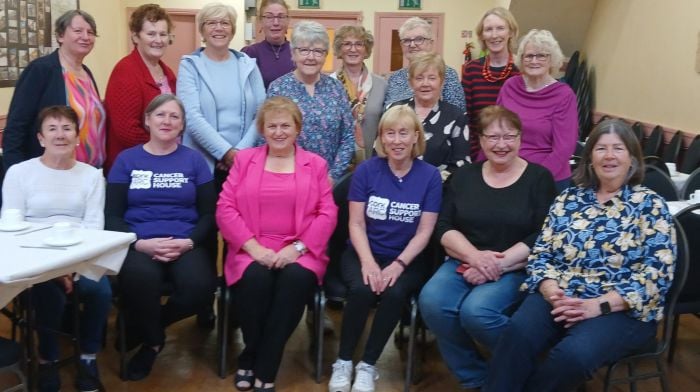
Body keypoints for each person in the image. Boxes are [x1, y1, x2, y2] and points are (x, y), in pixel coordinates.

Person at [484, 119, 677, 392]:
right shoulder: (569, 200)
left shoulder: (650, 205)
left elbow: (657, 276)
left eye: (618, 149)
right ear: (589, 159)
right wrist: (552, 291)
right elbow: (541, 253)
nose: (609, 156)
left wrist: (598, 305)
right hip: (560, 295)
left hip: (620, 308)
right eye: (601, 149)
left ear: (632, 158)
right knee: (516, 334)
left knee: (572, 356)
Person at [418, 105, 556, 389]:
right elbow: (443, 226)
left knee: (477, 312)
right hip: (463, 260)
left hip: (516, 266)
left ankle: (534, 368)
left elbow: (545, 234)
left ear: (520, 139)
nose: (501, 144)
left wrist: (497, 264)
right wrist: (475, 257)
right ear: (480, 140)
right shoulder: (465, 176)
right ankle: (478, 378)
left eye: (509, 136)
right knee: (432, 301)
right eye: (493, 137)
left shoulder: (539, 179)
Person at [216, 96, 337, 392]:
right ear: (262, 130)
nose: (279, 132)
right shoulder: (245, 160)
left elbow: (328, 212)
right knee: (255, 280)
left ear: (297, 130)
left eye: (286, 125)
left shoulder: (316, 164)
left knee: (294, 280)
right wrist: (253, 248)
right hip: (250, 248)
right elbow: (225, 207)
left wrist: (296, 249)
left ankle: (260, 361)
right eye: (272, 126)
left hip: (302, 249)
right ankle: (257, 355)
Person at [328, 105, 442, 392]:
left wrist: (398, 265)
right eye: (389, 133)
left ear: (416, 136)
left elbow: (425, 231)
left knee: (395, 291)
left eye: (404, 133)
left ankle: (368, 365)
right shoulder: (367, 171)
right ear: (380, 137)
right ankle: (343, 361)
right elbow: (355, 224)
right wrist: (367, 262)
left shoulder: (429, 176)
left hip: (407, 257)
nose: (397, 140)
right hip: (363, 251)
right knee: (363, 289)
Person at [105, 94, 217, 381]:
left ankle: (143, 328)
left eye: (174, 116)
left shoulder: (195, 161)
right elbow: (112, 215)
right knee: (140, 280)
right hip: (139, 242)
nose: (167, 121)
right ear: (147, 120)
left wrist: (190, 242)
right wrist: (137, 242)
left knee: (200, 288)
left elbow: (208, 214)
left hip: (186, 241)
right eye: (160, 115)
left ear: (182, 126)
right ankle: (153, 343)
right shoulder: (126, 160)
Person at [2, 106, 108, 392]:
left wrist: (70, 265)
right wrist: (54, 268)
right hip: (32, 256)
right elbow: (12, 227)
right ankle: (48, 358)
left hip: (80, 255)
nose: (60, 135)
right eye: (52, 128)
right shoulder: (19, 173)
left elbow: (93, 227)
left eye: (67, 128)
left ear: (77, 136)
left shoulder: (92, 176)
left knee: (100, 291)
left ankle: (87, 355)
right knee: (49, 296)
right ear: (40, 138)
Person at [2, 9, 105, 171]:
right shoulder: (41, 70)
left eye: (90, 32)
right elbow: (16, 126)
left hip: (89, 174)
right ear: (60, 36)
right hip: (50, 174)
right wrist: (15, 174)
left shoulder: (86, 73)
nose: (85, 37)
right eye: (78, 31)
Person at [177, 2, 266, 182]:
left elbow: (262, 113)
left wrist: (238, 154)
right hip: (203, 163)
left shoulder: (248, 65)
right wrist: (225, 152)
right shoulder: (189, 65)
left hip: (244, 161)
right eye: (211, 23)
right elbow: (192, 117)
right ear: (202, 30)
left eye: (225, 23)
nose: (219, 28)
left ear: (232, 30)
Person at [268, 21, 354, 182]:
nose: (311, 57)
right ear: (293, 53)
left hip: (330, 181)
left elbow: (348, 136)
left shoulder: (336, 88)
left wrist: (333, 176)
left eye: (318, 51)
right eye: (304, 50)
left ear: (326, 55)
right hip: (288, 180)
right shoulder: (278, 89)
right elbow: (267, 136)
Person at [496, 29, 578, 191]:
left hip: (548, 177)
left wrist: (534, 178)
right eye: (529, 56)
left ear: (552, 59)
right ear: (521, 59)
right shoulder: (510, 86)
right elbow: (495, 129)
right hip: (507, 171)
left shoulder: (563, 95)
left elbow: (564, 148)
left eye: (541, 55)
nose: (534, 61)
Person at [104, 3, 177, 174]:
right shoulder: (126, 71)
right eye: (151, 34)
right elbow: (126, 131)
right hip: (133, 167)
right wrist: (162, 152)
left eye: (163, 34)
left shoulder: (168, 73)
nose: (158, 40)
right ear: (136, 37)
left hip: (162, 162)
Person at [388, 52, 470, 172]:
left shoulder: (456, 116)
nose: (425, 84)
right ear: (411, 82)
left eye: (432, 78)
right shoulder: (393, 110)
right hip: (394, 185)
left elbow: (461, 164)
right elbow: (379, 153)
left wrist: (432, 183)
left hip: (440, 187)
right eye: (419, 78)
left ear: (441, 82)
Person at [462, 7, 520, 160]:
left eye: (500, 28)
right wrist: (478, 154)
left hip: (517, 156)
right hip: (479, 154)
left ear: (511, 32)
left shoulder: (522, 70)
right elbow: (466, 117)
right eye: (488, 29)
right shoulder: (471, 70)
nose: (494, 35)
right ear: (482, 35)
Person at [330, 25, 387, 162]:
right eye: (347, 44)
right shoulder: (329, 84)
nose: (353, 49)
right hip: (336, 162)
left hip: (373, 161)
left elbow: (386, 125)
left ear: (366, 49)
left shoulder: (382, 85)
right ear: (339, 49)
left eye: (359, 44)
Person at [384, 17, 465, 113]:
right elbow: (386, 113)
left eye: (419, 39)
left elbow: (458, 112)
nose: (412, 45)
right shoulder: (394, 78)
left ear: (431, 43)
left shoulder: (447, 74)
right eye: (407, 40)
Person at [241, 0, 295, 89]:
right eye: (269, 17)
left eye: (281, 17)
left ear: (288, 21)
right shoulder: (249, 53)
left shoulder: (298, 52)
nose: (276, 23)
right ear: (261, 21)